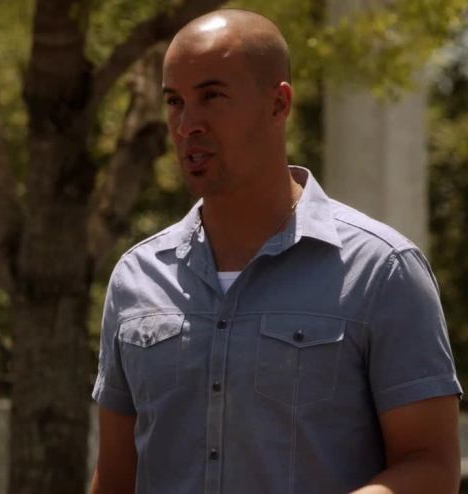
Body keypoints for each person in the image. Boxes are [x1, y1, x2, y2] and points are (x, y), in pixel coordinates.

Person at [91, 8, 462, 494]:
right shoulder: (136, 277)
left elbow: (431, 467)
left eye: (212, 96)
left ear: (278, 103)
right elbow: (116, 477)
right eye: (175, 102)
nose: (187, 125)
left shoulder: (382, 271)